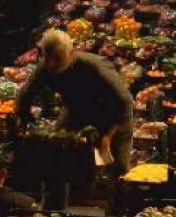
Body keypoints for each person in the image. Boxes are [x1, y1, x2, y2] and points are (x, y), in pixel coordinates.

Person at [16, 29, 134, 178]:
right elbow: (25, 94)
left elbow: (125, 101)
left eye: (57, 59)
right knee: (59, 148)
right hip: (75, 110)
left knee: (116, 167)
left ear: (70, 53)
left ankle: (114, 193)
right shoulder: (45, 67)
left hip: (111, 114)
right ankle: (70, 190)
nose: (52, 64)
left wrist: (107, 136)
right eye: (48, 58)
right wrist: (23, 119)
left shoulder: (94, 66)